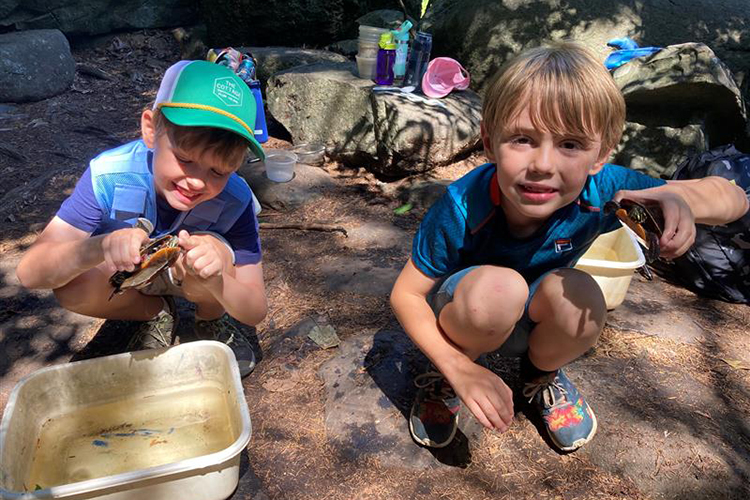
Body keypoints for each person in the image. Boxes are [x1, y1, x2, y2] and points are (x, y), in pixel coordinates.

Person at [389, 42, 749, 451]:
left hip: (533, 313)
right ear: (489, 143)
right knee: (498, 290)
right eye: (522, 139)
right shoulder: (462, 205)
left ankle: (540, 374)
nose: (543, 164)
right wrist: (456, 365)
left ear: (601, 155)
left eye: (571, 145)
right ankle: (452, 374)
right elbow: (406, 295)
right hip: (469, 315)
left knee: (584, 298)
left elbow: (732, 198)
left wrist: (677, 198)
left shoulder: (606, 188)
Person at [16, 60, 269, 378]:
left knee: (213, 249)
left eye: (218, 171)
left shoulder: (236, 200)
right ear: (150, 130)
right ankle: (156, 314)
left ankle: (210, 317)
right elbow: (30, 273)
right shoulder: (110, 175)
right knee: (71, 286)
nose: (196, 182)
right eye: (184, 159)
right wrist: (101, 247)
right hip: (133, 274)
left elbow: (255, 307)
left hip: (196, 281)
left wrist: (216, 281)